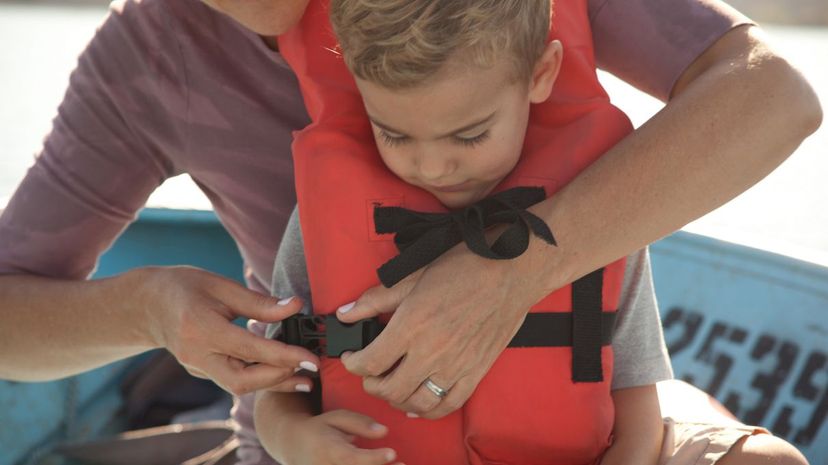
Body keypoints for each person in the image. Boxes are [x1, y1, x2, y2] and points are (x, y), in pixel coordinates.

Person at [0, 0, 819, 462]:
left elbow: (775, 96)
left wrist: (513, 271)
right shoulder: (145, 52)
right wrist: (146, 310)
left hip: (578, 424)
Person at [242, 1, 802, 464]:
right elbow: (282, 369)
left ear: (540, 74)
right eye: (394, 135)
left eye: (468, 136)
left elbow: (636, 397)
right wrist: (292, 441)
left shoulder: (597, 205)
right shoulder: (323, 214)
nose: (433, 167)